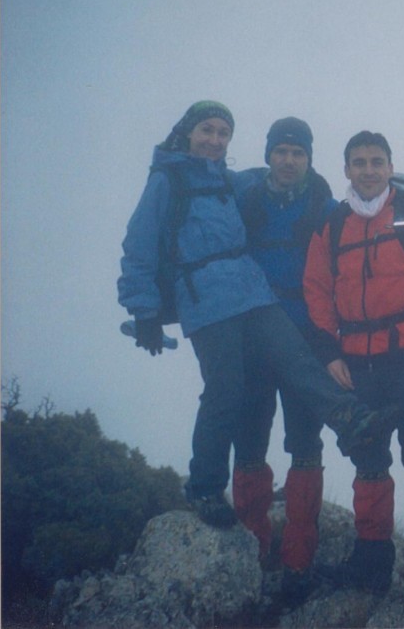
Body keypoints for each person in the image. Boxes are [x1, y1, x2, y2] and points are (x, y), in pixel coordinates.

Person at [117, 101, 378, 530]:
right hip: (205, 298)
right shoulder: (168, 179)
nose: (215, 140)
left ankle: (350, 420)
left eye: (223, 134)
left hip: (250, 290)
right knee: (226, 391)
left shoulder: (228, 180)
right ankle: (203, 486)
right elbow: (138, 242)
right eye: (208, 130)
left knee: (297, 355)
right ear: (187, 132)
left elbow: (280, 182)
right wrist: (143, 309)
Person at [303, 130, 404, 597]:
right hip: (357, 364)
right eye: (359, 162)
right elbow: (316, 292)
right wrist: (329, 353)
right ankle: (371, 565)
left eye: (377, 161)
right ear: (347, 170)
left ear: (390, 167)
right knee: (368, 460)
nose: (369, 170)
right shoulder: (332, 226)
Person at [230, 117, 335, 599]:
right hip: (253, 339)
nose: (289, 160)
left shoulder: (325, 208)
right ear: (268, 155)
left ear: (310, 158)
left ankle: (298, 561)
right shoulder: (245, 201)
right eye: (281, 151)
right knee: (250, 442)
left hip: (304, 343)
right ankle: (250, 551)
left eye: (298, 152)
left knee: (304, 444)